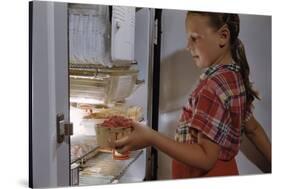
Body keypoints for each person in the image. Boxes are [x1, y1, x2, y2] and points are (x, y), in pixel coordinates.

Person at [110, 11, 271, 178]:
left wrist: (151, 137)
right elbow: (253, 129)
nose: (188, 46)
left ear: (223, 36)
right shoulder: (232, 76)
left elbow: (205, 158)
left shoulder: (212, 87)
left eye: (194, 38)